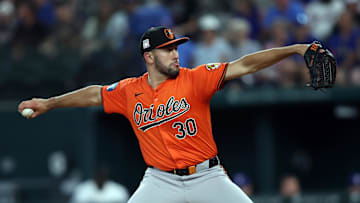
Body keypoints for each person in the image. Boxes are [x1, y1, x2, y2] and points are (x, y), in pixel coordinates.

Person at [18, 26, 313, 203]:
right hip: (160, 182)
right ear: (149, 57)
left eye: (176, 47)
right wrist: (50, 103)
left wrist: (296, 49)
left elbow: (245, 64)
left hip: (207, 176)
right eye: (167, 49)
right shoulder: (128, 90)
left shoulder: (195, 78)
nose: (175, 53)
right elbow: (94, 93)